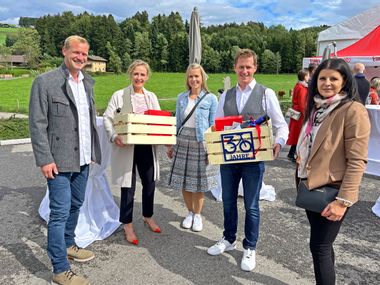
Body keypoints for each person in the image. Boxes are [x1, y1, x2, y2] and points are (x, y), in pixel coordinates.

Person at [207, 49, 289, 271]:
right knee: (228, 201)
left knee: (252, 205)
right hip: (229, 158)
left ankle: (250, 246)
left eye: (248, 67)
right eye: (241, 67)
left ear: (255, 68)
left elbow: (281, 124)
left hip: (254, 159)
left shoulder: (266, 94)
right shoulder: (226, 95)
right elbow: (217, 125)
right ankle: (229, 239)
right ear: (235, 68)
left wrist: (279, 142)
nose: (244, 71)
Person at [29, 35, 101, 285]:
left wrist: (92, 152)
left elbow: (87, 122)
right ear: (64, 52)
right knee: (59, 213)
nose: (81, 57)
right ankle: (60, 268)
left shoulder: (88, 82)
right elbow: (37, 124)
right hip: (57, 161)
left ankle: (69, 243)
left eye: (85, 54)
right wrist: (44, 159)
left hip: (82, 159)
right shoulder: (45, 82)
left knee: (76, 204)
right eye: (76, 53)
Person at [296, 58, 370, 285]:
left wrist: (343, 201)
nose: (327, 83)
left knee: (319, 247)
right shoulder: (317, 107)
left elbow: (357, 160)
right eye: (322, 78)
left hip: (333, 191)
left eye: (333, 79)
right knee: (323, 246)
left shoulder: (352, 110)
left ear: (344, 81)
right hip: (310, 184)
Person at [103, 60, 161, 246]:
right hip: (126, 146)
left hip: (146, 145)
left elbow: (159, 119)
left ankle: (148, 215)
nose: (139, 77)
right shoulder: (119, 95)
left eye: (142, 74)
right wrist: (113, 136)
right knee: (128, 187)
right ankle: (127, 224)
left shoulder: (151, 96)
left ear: (147, 77)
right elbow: (107, 117)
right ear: (131, 75)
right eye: (136, 74)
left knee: (150, 182)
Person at [167, 63, 218, 232]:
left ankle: (197, 215)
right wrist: (171, 143)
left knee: (199, 183)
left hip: (200, 142)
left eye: (197, 76)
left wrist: (211, 147)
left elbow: (213, 125)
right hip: (182, 141)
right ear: (187, 79)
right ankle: (189, 212)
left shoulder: (211, 98)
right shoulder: (181, 97)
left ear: (202, 78)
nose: (194, 79)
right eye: (191, 76)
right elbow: (178, 122)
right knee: (184, 181)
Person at [287, 69, 310, 162]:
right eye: (308, 76)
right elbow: (301, 103)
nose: (309, 77)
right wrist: (305, 114)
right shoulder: (302, 88)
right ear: (305, 77)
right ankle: (293, 154)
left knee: (297, 134)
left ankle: (292, 153)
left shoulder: (298, 85)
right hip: (300, 114)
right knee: (299, 134)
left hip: (296, 112)